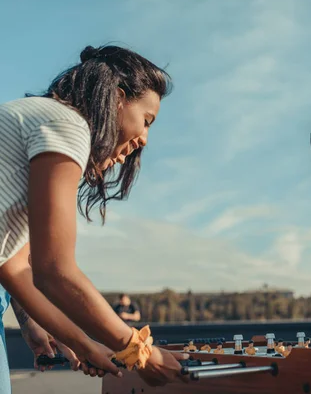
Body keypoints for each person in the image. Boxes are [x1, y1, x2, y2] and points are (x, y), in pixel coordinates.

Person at [0, 44, 189, 392]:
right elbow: (54, 271)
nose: (144, 139)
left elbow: (15, 271)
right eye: (146, 121)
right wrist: (139, 352)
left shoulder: (39, 120)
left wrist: (84, 343)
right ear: (117, 99)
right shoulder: (67, 123)